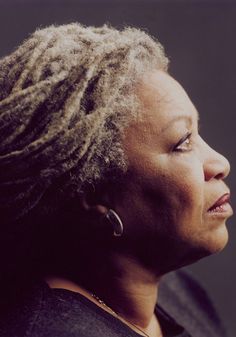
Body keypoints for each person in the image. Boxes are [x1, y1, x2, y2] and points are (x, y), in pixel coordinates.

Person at [0, 23, 233, 337]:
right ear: (94, 195)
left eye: (198, 134)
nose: (221, 163)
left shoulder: (179, 293)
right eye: (182, 143)